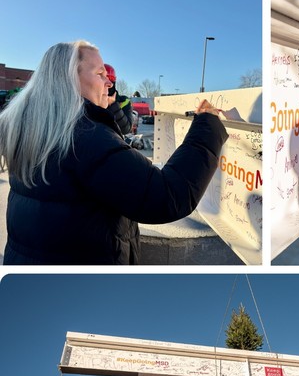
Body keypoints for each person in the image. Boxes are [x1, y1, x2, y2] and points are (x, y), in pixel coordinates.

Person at [0, 40, 227, 264]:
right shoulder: (85, 137)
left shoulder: (35, 127)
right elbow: (167, 196)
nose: (108, 83)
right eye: (100, 74)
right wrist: (207, 126)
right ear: (68, 79)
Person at [104, 63, 134, 136]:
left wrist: (113, 104)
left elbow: (126, 129)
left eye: (110, 84)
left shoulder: (124, 101)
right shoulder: (91, 101)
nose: (107, 87)